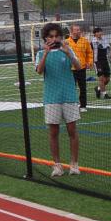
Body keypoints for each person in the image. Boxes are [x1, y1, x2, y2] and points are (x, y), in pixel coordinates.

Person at [35, 23, 82, 176]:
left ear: (61, 37)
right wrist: (46, 53)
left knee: (72, 130)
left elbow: (79, 67)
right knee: (53, 133)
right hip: (51, 98)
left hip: (69, 96)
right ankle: (57, 166)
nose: (54, 39)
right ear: (45, 38)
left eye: (57, 36)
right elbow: (39, 71)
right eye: (51, 36)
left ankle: (74, 164)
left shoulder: (67, 50)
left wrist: (69, 53)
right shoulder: (40, 54)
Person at [64, 24, 93, 111]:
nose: (79, 31)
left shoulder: (85, 41)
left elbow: (89, 53)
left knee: (83, 87)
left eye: (79, 29)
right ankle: (72, 105)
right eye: (76, 30)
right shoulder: (66, 42)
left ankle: (83, 106)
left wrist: (89, 62)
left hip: (82, 68)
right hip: (70, 69)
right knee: (71, 88)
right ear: (71, 31)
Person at [91, 26, 111, 100]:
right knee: (101, 79)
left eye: (100, 31)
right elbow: (89, 52)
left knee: (107, 79)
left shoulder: (105, 40)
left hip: (105, 61)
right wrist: (90, 62)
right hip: (97, 62)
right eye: (98, 32)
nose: (100, 33)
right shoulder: (92, 42)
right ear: (95, 34)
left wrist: (110, 56)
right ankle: (104, 94)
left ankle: (98, 88)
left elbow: (108, 49)